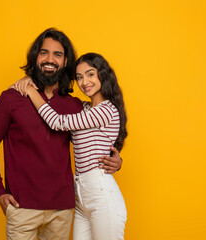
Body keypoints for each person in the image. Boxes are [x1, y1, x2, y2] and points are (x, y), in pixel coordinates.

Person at [0, 28, 122, 240]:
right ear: (36, 57)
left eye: (58, 54)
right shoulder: (11, 99)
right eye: (44, 52)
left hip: (62, 210)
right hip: (21, 209)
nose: (50, 59)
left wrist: (115, 159)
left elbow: (97, 133)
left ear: (65, 63)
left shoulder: (74, 105)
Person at [14, 52, 128, 239]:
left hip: (100, 193)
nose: (84, 82)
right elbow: (58, 97)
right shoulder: (84, 108)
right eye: (79, 77)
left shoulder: (107, 110)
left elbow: (57, 121)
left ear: (103, 75)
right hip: (80, 194)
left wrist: (31, 91)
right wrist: (32, 79)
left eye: (90, 74)